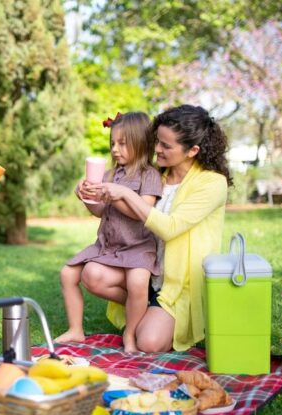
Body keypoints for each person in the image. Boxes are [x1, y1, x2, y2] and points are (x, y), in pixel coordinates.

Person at [87, 104, 232, 352]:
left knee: (148, 342)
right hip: (144, 270)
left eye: (166, 145)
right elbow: (117, 213)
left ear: (192, 150)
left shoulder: (213, 183)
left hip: (178, 285)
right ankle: (142, 307)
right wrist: (91, 195)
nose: (156, 149)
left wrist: (124, 193)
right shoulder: (156, 176)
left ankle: (150, 318)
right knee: (92, 275)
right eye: (157, 142)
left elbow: (170, 228)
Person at [55, 112, 162, 352]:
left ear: (141, 143)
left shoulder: (150, 175)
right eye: (113, 143)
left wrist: (116, 195)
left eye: (123, 143)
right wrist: (86, 197)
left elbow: (141, 212)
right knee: (67, 274)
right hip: (108, 247)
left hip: (138, 247)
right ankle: (76, 330)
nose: (115, 149)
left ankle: (131, 335)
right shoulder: (110, 175)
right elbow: (99, 211)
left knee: (138, 281)